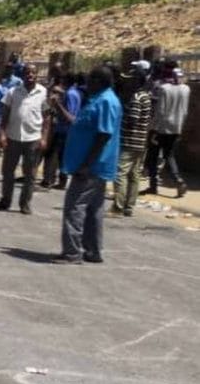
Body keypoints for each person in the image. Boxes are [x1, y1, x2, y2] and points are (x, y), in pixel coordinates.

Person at [56, 67, 122, 264]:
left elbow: (104, 135)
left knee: (74, 208)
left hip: (92, 166)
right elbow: (81, 124)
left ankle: (72, 253)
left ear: (99, 81)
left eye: (91, 80)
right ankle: (92, 251)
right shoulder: (97, 99)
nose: (88, 85)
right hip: (91, 165)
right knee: (94, 210)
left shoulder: (106, 101)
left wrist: (86, 164)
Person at [0, 64, 50, 215]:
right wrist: (2, 133)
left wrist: (44, 137)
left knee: (30, 174)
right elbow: (4, 115)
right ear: (23, 75)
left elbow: (47, 118)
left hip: (33, 138)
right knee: (7, 171)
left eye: (33, 72)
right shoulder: (13, 92)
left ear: (37, 75)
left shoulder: (43, 92)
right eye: (27, 72)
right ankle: (5, 200)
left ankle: (25, 203)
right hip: (13, 137)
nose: (30, 75)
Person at [113, 61, 153, 216]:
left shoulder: (136, 97)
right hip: (141, 141)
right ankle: (129, 206)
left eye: (131, 78)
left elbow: (133, 119)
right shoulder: (146, 96)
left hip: (130, 141)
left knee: (120, 173)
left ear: (137, 80)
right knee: (134, 174)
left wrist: (122, 118)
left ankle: (118, 206)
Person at [144, 66, 190, 198]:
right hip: (176, 128)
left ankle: (153, 186)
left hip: (160, 128)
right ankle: (178, 180)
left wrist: (152, 129)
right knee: (169, 155)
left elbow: (160, 112)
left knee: (153, 155)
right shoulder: (186, 89)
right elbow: (185, 111)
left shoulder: (164, 89)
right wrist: (180, 128)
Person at [41, 73, 82, 190]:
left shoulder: (70, 94)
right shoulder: (74, 93)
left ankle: (52, 179)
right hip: (66, 129)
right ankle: (58, 180)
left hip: (64, 129)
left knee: (54, 155)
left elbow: (69, 115)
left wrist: (57, 105)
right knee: (60, 155)